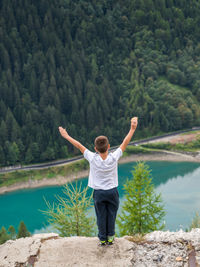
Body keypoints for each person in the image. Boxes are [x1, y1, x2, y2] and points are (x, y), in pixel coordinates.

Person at [58, 117, 138, 245]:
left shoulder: (92, 158)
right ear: (109, 147)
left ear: (95, 148)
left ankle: (102, 239)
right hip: (112, 192)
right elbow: (125, 142)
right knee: (111, 215)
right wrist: (132, 128)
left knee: (101, 216)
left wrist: (66, 135)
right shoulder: (114, 157)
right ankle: (110, 238)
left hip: (99, 193)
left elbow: (79, 145)